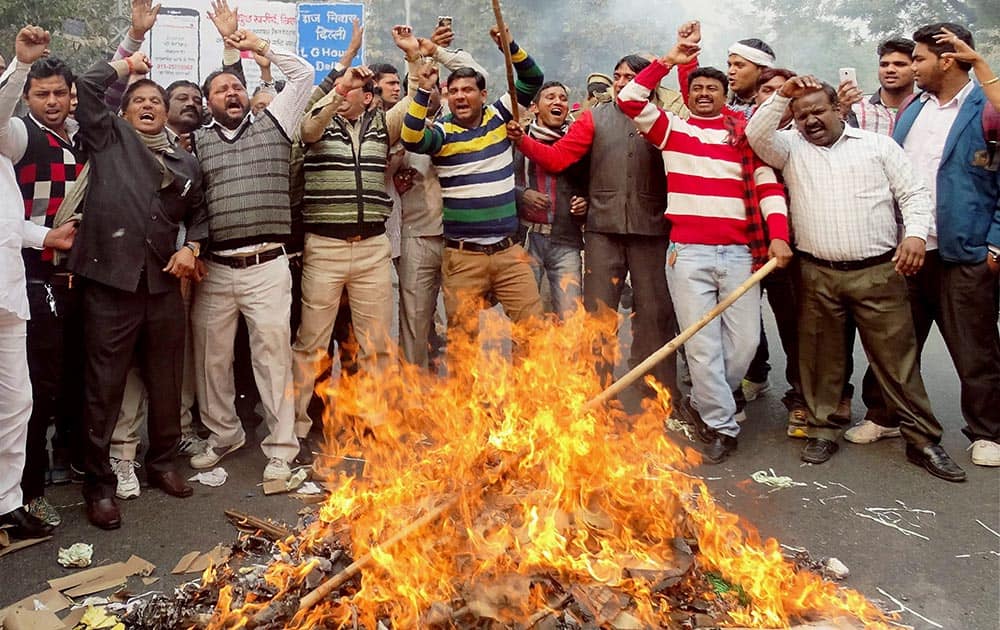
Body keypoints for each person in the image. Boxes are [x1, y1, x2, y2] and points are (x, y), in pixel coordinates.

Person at [746, 75, 966, 482]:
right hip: (816, 273)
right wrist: (783, 95)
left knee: (896, 362)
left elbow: (914, 193)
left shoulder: (878, 146)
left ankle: (922, 440)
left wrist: (916, 234)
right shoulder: (790, 148)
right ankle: (823, 430)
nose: (810, 120)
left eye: (818, 111)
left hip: (879, 271)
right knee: (820, 359)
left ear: (838, 109)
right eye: (801, 114)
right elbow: (755, 132)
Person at [618, 38, 791, 463]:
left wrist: (779, 234)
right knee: (700, 345)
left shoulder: (744, 135)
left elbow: (767, 187)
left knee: (745, 344)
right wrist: (667, 61)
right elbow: (629, 97)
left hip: (740, 254)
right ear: (688, 94)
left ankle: (704, 399)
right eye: (697, 88)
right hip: (688, 253)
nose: (704, 93)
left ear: (724, 94)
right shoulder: (671, 130)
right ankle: (721, 426)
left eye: (713, 88)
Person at [73, 47, 210, 528]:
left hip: (161, 285)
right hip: (109, 283)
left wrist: (191, 247)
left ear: (167, 112)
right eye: (139, 101)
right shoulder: (108, 138)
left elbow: (199, 216)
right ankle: (99, 486)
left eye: (156, 100)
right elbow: (87, 84)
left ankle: (162, 465)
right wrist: (127, 63)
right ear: (125, 112)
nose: (149, 105)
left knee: (166, 381)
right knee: (103, 389)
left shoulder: (186, 164)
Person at [856, 23, 1000, 467]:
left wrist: (994, 243)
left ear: (948, 59)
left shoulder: (985, 108)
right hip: (910, 247)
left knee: (975, 348)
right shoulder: (914, 110)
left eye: (918, 58)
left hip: (966, 250)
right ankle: (884, 415)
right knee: (895, 340)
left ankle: (987, 432)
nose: (912, 66)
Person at [508, 53, 679, 401]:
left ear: (648, 82)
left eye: (629, 76)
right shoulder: (593, 118)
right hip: (602, 232)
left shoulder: (662, 120)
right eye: (617, 75)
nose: (620, 82)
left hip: (651, 231)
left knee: (655, 313)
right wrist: (522, 141)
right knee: (598, 315)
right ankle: (594, 389)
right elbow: (559, 159)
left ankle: (658, 390)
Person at [187, 17, 314, 482]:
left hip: (268, 265)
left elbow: (303, 75)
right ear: (208, 103)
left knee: (272, 356)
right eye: (220, 90)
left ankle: (281, 446)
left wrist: (256, 43)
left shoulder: (275, 124)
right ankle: (224, 433)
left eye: (235, 87)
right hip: (216, 269)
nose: (231, 94)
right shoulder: (196, 143)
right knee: (211, 356)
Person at [291, 26, 421, 433]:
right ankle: (292, 424)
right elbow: (307, 127)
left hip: (371, 248)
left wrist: (413, 58)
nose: (349, 93)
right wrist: (340, 77)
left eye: (357, 89)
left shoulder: (382, 125)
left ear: (368, 97)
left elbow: (415, 103)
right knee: (312, 342)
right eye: (344, 89)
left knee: (377, 344)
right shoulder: (317, 127)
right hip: (325, 248)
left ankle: (376, 419)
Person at [401, 26, 545, 345]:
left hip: (510, 254)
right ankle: (464, 398)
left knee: (533, 334)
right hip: (463, 258)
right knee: (463, 344)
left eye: (468, 90)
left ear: (483, 95)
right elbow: (411, 138)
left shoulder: (499, 116)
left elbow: (533, 79)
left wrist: (510, 44)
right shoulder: (442, 132)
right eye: (453, 91)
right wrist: (423, 91)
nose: (460, 96)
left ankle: (529, 397)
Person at [0, 53, 85, 527]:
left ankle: (19, 494)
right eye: (41, 93)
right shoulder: (16, 134)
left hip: (68, 277)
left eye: (59, 92)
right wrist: (18, 65)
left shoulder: (79, 136)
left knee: (46, 391)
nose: (52, 101)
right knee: (30, 393)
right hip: (30, 280)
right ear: (25, 97)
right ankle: (28, 493)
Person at [394, 26, 488, 368]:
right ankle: (412, 397)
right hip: (419, 235)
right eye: (423, 85)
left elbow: (481, 74)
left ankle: (464, 397)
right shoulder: (404, 128)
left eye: (438, 86)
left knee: (465, 325)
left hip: (462, 240)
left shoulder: (465, 125)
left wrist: (437, 52)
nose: (432, 90)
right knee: (415, 322)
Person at [514, 81, 587, 320]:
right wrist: (522, 195)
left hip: (566, 240)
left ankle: (568, 360)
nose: (558, 102)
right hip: (526, 240)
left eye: (563, 99)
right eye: (550, 97)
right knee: (526, 319)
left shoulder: (580, 143)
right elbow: (499, 184)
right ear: (534, 107)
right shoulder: (516, 141)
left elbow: (592, 183)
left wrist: (584, 203)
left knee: (571, 317)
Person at [840, 38, 916, 135]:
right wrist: (841, 112)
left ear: (915, 68)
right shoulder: (856, 109)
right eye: (884, 65)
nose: (890, 70)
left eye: (899, 64)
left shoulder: (924, 109)